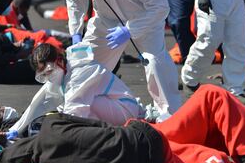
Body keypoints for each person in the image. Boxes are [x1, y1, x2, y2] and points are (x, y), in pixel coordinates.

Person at [0, 85, 245, 163]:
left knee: (213, 113)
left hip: (151, 153)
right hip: (147, 137)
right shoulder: (51, 126)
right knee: (212, 95)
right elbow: (99, 128)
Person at [66, 0, 181, 120]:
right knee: (86, 63)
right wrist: (76, 33)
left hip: (144, 19)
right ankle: (78, 108)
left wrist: (130, 29)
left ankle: (169, 116)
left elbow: (160, 7)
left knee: (154, 63)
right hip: (106, 20)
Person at [9, 43, 146, 135]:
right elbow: (39, 102)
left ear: (59, 60)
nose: (48, 77)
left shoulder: (81, 70)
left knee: (77, 107)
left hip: (125, 109)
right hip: (107, 105)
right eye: (43, 75)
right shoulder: (61, 71)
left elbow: (75, 109)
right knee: (65, 107)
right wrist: (15, 130)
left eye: (49, 71)